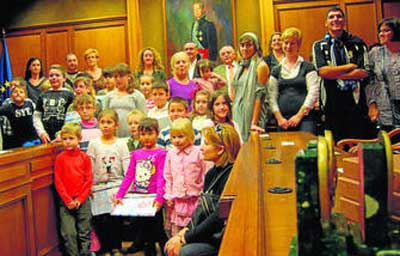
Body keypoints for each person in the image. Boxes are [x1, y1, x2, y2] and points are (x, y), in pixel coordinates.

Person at [164, 124, 241, 256]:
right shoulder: (212, 173)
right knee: (169, 246)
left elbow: (219, 217)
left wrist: (187, 238)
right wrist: (186, 230)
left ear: (220, 149)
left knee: (184, 252)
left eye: (206, 143)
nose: (201, 148)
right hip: (209, 233)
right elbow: (201, 208)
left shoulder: (232, 176)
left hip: (221, 237)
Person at [312, 7, 374, 141]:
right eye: (331, 17)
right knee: (335, 147)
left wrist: (334, 73)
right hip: (330, 102)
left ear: (344, 20)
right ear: (326, 23)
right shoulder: (319, 46)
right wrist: (350, 67)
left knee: (357, 144)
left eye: (339, 16)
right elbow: (322, 72)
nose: (336, 19)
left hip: (356, 103)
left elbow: (363, 72)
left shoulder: (357, 43)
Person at [113, 117, 168, 256]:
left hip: (154, 199)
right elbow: (129, 176)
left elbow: (162, 177)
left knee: (159, 230)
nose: (146, 137)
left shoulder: (161, 153)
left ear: (157, 133)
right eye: (143, 134)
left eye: (150, 134)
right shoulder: (136, 154)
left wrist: (159, 199)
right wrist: (120, 195)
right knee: (145, 231)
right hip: (139, 199)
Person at [86, 109, 130, 254]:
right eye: (103, 122)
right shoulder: (94, 144)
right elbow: (89, 165)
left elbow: (127, 166)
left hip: (116, 186)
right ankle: (104, 247)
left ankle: (116, 247)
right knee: (100, 219)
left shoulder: (121, 144)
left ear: (116, 125)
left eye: (109, 122)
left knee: (115, 217)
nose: (105, 125)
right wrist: (89, 185)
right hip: (98, 187)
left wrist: (126, 188)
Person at [269, 27, 319, 134]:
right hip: (283, 120)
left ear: (298, 45)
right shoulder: (276, 70)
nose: (288, 46)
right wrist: (279, 118)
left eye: (292, 43)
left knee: (306, 147)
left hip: (306, 119)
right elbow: (272, 96)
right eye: (286, 43)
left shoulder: (308, 67)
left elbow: (313, 93)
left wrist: (298, 116)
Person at [54, 122, 93, 256]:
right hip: (66, 203)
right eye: (64, 139)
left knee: (84, 231)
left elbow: (88, 180)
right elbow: (58, 181)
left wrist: (80, 199)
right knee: (69, 233)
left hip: (83, 200)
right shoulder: (59, 159)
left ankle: (85, 253)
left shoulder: (85, 158)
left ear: (79, 139)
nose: (67, 142)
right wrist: (68, 200)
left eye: (71, 138)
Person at [164, 118, 207, 236]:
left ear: (189, 135)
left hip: (195, 198)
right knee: (176, 231)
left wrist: (203, 193)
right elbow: (168, 176)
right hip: (177, 200)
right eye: (174, 137)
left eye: (180, 136)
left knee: (194, 229)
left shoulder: (198, 152)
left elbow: (204, 173)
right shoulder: (171, 154)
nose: (177, 140)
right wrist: (169, 195)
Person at [232, 32, 269, 141]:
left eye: (249, 45)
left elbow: (259, 97)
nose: (244, 48)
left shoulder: (261, 66)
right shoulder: (241, 66)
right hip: (238, 111)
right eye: (242, 45)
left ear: (256, 47)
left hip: (252, 113)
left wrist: (253, 123)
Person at [366, 16, 400, 132]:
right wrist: (372, 104)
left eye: (386, 30)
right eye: (380, 31)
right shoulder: (375, 54)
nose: (381, 34)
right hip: (385, 107)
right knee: (389, 144)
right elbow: (369, 81)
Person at [33, 64, 75, 142]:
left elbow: (73, 117)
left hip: (65, 136)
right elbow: (37, 116)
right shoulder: (43, 95)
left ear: (64, 78)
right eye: (51, 75)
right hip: (46, 136)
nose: (54, 78)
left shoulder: (70, 95)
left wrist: (63, 133)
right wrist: (41, 132)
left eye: (57, 75)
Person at [104, 63, 146, 137]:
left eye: (121, 76)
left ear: (128, 77)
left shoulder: (137, 96)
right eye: (116, 77)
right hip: (114, 136)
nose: (118, 79)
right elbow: (105, 116)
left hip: (132, 135)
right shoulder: (109, 96)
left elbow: (143, 118)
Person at [0, 78, 40, 149]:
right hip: (16, 140)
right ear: (11, 95)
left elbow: (37, 116)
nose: (18, 93)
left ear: (25, 95)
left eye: (21, 92)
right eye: (15, 92)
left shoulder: (30, 103)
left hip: (32, 137)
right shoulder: (7, 107)